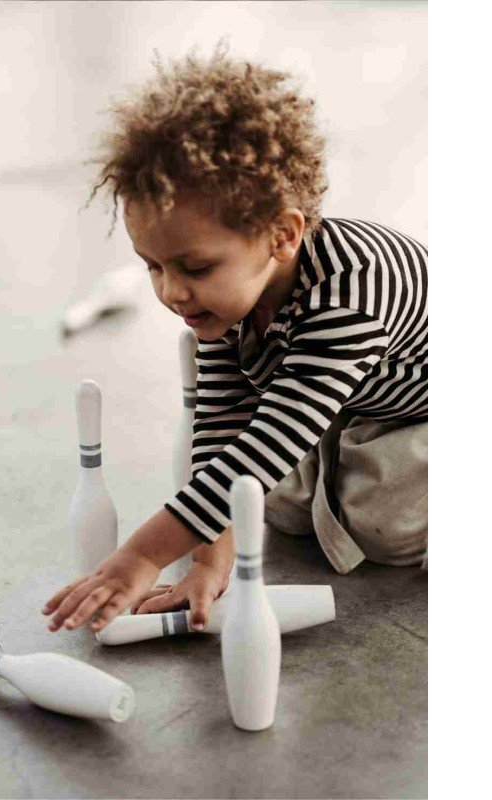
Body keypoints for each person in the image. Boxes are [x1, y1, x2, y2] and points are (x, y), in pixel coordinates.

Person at [43, 46, 427, 636]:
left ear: (282, 233)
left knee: (380, 529)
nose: (171, 292)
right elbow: (223, 424)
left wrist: (143, 554)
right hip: (350, 402)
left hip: (423, 412)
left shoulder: (351, 293)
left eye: (193, 268)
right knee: (270, 506)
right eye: (152, 266)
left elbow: (266, 444)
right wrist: (206, 561)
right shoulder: (231, 301)